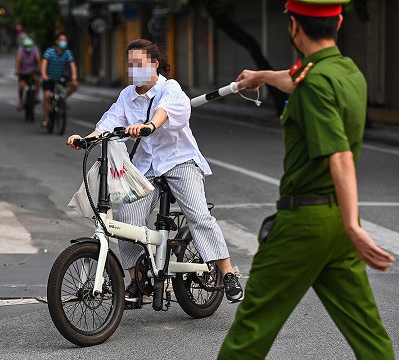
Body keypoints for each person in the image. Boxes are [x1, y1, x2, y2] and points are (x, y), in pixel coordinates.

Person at [218, 1, 395, 359]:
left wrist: (354, 225)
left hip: (304, 224)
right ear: (339, 22)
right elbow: (294, 78)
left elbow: (340, 155)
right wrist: (262, 76)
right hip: (336, 229)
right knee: (367, 332)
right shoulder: (347, 71)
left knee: (251, 330)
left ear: (294, 27)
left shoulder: (314, 81)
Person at [67, 39, 244, 304]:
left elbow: (168, 111)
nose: (133, 69)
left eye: (139, 64)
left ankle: (228, 273)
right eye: (130, 65)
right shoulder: (128, 95)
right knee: (124, 224)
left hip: (178, 161)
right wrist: (87, 139)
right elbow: (110, 121)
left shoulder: (169, 88)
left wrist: (149, 125)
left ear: (155, 64)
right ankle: (137, 281)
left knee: (198, 215)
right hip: (144, 168)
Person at [41, 33, 78, 128]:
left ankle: (62, 98)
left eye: (65, 40)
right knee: (47, 96)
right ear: (57, 41)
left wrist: (74, 77)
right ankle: (46, 118)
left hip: (60, 77)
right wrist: (44, 75)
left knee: (75, 85)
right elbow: (44, 63)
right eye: (61, 40)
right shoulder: (50, 51)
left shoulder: (67, 53)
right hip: (49, 78)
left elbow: (72, 65)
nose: (63, 42)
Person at [16, 38, 41, 110]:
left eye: (29, 46)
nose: (28, 48)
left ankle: (36, 96)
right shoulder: (21, 50)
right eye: (26, 46)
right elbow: (18, 60)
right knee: (21, 86)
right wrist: (17, 70)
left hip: (33, 71)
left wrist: (40, 70)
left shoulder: (35, 49)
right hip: (23, 72)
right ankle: (21, 101)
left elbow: (38, 59)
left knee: (37, 80)